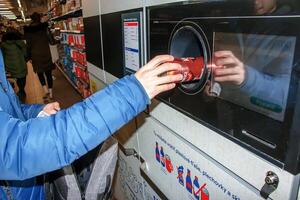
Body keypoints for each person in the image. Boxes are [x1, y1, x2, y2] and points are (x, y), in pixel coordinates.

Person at [0, 49, 183, 199]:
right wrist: (132, 92)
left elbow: (9, 112)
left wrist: (37, 112)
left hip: (30, 183)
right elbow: (15, 148)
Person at [211, 0, 295, 121]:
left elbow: (288, 94)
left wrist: (247, 78)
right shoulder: (238, 20)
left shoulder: (291, 26)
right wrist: (213, 86)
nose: (255, 2)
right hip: (228, 113)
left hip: (260, 122)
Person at [24, 12, 55, 101]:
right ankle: (51, 93)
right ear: (39, 18)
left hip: (35, 55)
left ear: (32, 19)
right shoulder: (44, 27)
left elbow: (28, 45)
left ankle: (45, 91)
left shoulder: (28, 30)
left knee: (40, 73)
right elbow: (51, 41)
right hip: (46, 53)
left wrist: (29, 57)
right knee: (48, 74)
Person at [1, 28, 28, 103]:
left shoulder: (3, 45)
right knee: (22, 78)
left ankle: (16, 92)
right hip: (20, 64)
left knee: (14, 78)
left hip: (9, 66)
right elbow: (25, 53)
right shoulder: (20, 43)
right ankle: (21, 90)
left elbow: (2, 56)